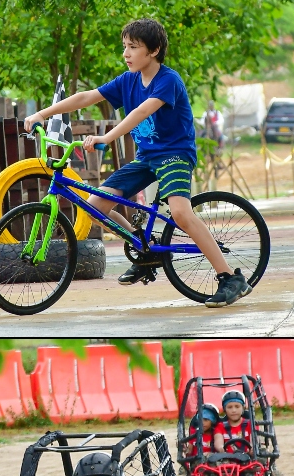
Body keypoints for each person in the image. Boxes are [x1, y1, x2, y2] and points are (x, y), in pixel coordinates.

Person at [24, 18, 251, 307]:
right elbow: (87, 96)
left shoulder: (168, 80)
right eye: (124, 47)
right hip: (146, 159)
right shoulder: (128, 80)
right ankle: (143, 248)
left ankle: (230, 277)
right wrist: (42, 114)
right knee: (95, 207)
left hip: (175, 154)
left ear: (154, 50)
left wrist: (107, 137)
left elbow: (143, 112)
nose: (126, 54)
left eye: (133, 47)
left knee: (180, 212)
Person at [213, 391, 252, 455]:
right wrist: (220, 448)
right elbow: (218, 442)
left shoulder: (250, 424)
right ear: (225, 409)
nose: (234, 410)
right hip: (227, 459)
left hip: (248, 458)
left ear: (243, 408)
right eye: (230, 407)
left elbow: (254, 441)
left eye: (237, 406)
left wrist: (253, 448)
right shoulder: (220, 426)